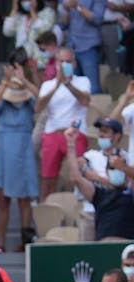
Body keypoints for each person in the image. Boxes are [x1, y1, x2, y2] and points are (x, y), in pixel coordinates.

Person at [0, 62, 40, 250]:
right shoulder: (3, 104)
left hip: (24, 151)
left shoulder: (28, 103)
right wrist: (7, 81)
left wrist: (24, 80)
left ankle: (25, 239)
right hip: (4, 152)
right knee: (2, 199)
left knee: (24, 198)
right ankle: (1, 241)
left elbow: (40, 97)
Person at [36, 47, 91, 201]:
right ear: (56, 64)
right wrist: (57, 85)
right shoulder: (47, 85)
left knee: (78, 176)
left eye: (68, 61)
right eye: (62, 61)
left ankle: (80, 211)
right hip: (52, 133)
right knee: (48, 179)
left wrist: (68, 84)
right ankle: (47, 214)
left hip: (75, 133)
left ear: (74, 63)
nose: (65, 64)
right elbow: (38, 107)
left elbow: (85, 101)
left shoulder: (83, 81)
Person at [64, 126, 134, 240]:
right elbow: (76, 178)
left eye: (120, 170)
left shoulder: (131, 194)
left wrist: (123, 167)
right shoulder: (100, 194)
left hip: (129, 249)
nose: (116, 172)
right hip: (105, 245)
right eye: (112, 169)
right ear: (106, 172)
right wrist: (70, 145)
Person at [58, 0, 105, 94]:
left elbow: (97, 19)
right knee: (71, 86)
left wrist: (78, 6)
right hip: (71, 48)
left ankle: (95, 108)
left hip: (89, 47)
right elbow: (63, 25)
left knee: (92, 88)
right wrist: (66, 10)